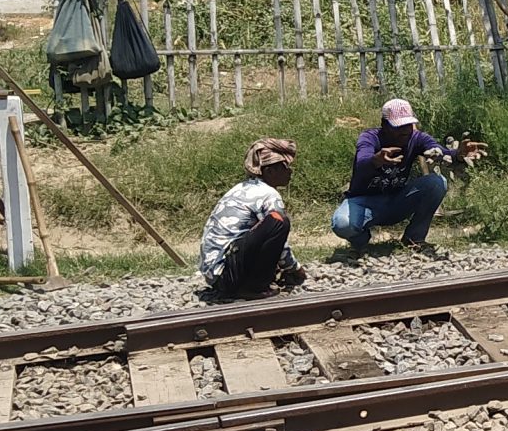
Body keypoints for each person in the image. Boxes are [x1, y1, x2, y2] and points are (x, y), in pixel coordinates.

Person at [330, 97, 482, 253]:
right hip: (364, 203)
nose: (405, 131)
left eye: (408, 125)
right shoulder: (370, 138)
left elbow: (439, 150)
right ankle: (361, 241)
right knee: (343, 224)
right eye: (399, 126)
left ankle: (414, 239)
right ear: (384, 125)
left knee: (436, 183)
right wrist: (377, 160)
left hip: (397, 200)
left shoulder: (416, 138)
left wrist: (458, 154)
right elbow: (362, 162)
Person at [198, 138, 305, 299]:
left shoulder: (240, 188)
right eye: (284, 168)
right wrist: (295, 269)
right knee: (278, 222)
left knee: (273, 223)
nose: (290, 172)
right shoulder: (268, 194)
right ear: (269, 172)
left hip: (216, 275)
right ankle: (253, 287)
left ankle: (251, 282)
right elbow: (278, 241)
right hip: (227, 275)